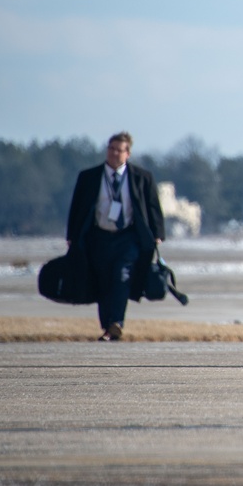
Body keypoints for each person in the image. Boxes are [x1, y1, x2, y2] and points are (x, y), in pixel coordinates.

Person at [66, 132, 165, 341]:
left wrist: (157, 234)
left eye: (119, 150)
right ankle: (107, 326)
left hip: (128, 237)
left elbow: (153, 207)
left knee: (122, 277)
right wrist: (72, 236)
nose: (113, 153)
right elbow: (77, 208)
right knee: (103, 281)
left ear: (127, 154)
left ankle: (117, 322)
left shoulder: (141, 177)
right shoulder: (89, 177)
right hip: (99, 236)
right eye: (111, 149)